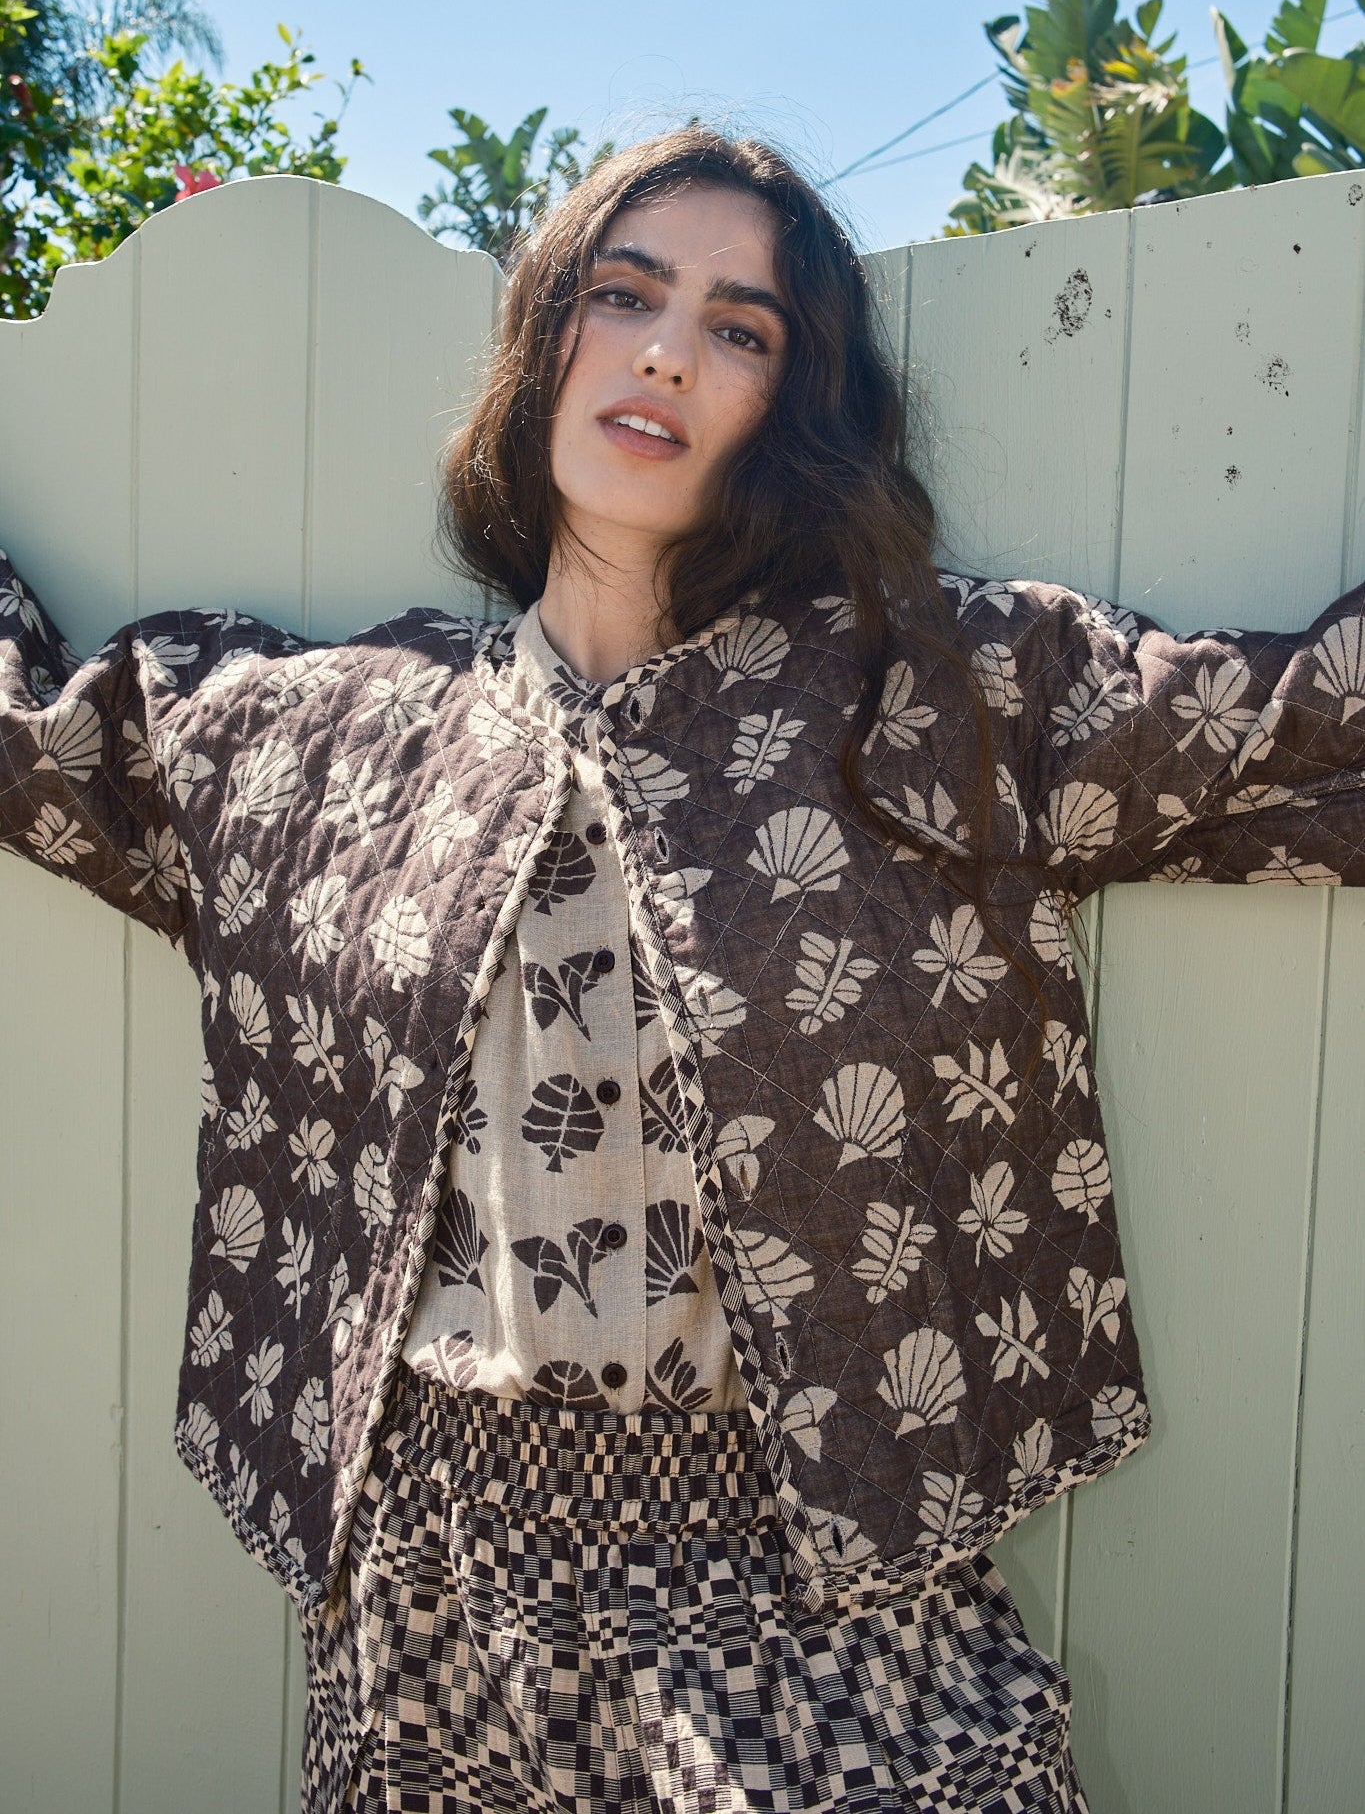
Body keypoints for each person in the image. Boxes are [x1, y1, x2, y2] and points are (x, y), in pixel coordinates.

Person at [3, 124, 1364, 1814]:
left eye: (739, 328)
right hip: (429, 1578)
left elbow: (1301, 734)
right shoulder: (336, 736)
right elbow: (41, 747)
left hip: (818, 1562)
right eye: (624, 294)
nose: (664, 351)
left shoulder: (929, 690)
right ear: (542, 336)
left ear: (788, 405)